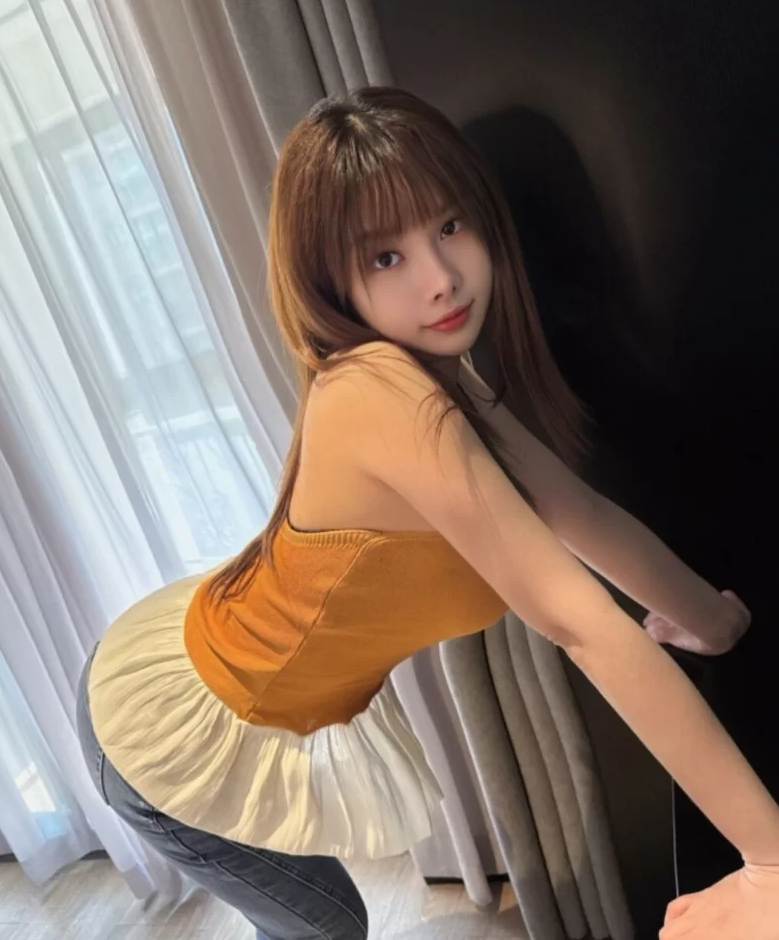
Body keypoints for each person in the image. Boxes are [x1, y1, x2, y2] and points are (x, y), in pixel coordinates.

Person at [75, 86, 773, 939]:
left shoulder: (440, 378)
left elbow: (581, 514)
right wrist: (770, 859)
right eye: (385, 257)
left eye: (448, 225)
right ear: (331, 280)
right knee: (331, 922)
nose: (440, 278)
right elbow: (577, 621)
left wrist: (709, 621)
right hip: (170, 733)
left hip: (215, 653)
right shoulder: (379, 391)